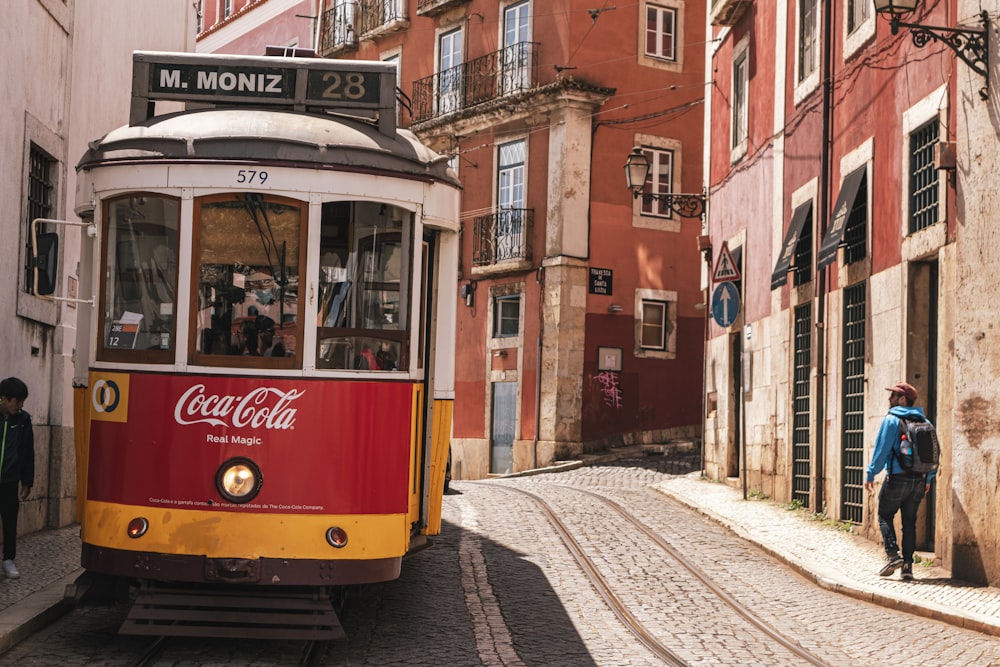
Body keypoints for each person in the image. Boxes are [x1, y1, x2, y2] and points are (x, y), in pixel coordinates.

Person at [864, 381, 936, 581]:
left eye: (893, 396)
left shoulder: (891, 421)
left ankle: (893, 555)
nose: (890, 399)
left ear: (902, 399)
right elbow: (934, 453)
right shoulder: (927, 423)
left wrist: (871, 473)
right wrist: (928, 478)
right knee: (909, 523)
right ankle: (908, 567)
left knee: (885, 514)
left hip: (897, 478)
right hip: (919, 481)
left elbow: (881, 451)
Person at [0, 378, 34, 580]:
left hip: (10, 480)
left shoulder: (23, 420)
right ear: (4, 399)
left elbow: (28, 452)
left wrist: (27, 481)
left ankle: (8, 560)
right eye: (17, 401)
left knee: (10, 521)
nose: (20, 405)